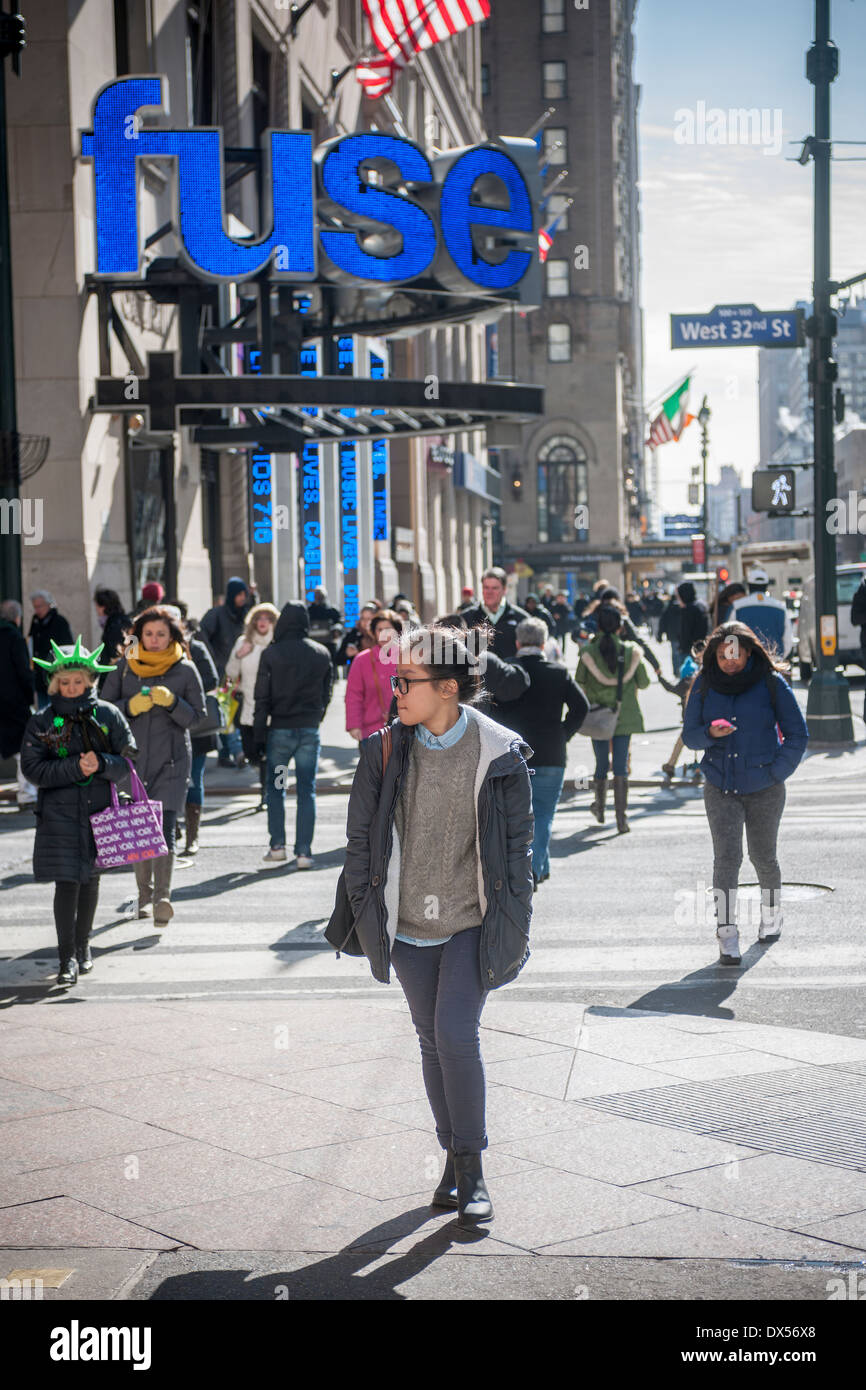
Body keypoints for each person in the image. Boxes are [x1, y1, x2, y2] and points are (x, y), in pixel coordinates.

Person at [329, 622, 533, 1229]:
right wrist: (368, 914)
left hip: (473, 919)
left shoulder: (500, 753)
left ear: (447, 687)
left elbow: (517, 852)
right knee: (429, 1041)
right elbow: (360, 841)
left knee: (454, 1034)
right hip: (409, 924)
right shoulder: (385, 749)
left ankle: (471, 1168)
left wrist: (515, 923)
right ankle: (452, 1159)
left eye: (406, 680)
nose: (395, 690)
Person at [682, 621, 809, 965]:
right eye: (724, 655)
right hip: (720, 786)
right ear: (715, 655)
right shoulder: (704, 685)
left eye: (736, 654)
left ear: (750, 651)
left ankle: (771, 915)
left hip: (765, 787)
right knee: (727, 860)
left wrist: (776, 772)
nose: (731, 661)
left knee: (763, 858)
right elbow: (690, 736)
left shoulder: (771, 683)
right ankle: (726, 933)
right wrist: (709, 732)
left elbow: (798, 734)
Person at [20, 638, 136, 986]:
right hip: (58, 817)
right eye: (65, 682)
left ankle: (84, 947)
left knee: (90, 882)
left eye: (78, 681)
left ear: (89, 681)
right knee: (66, 884)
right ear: (55, 684)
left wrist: (102, 762)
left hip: (99, 813)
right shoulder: (42, 721)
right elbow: (33, 770)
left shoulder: (108, 713)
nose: (72, 688)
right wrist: (76, 768)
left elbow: (129, 762)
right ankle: (66, 956)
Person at [102, 607, 205, 924]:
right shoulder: (124, 667)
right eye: (148, 634)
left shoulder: (185, 670)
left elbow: (199, 718)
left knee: (164, 827)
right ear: (138, 635)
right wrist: (129, 707)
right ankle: (143, 897)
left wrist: (172, 703)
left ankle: (163, 897)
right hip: (131, 762)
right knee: (138, 828)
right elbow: (103, 712)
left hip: (171, 761)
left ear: (172, 636)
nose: (155, 639)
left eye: (161, 634)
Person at [495, 616, 589, 887]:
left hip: (511, 752)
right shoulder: (558, 672)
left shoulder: (507, 672)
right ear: (544, 642)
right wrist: (564, 733)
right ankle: (535, 869)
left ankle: (536, 867)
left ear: (517, 642)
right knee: (544, 814)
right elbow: (580, 707)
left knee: (518, 815)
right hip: (551, 752)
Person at [253, 600, 334, 867]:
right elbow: (327, 693)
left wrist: (257, 735)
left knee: (277, 788)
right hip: (308, 731)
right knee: (306, 790)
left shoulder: (271, 654)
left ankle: (277, 845)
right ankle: (304, 852)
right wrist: (316, 718)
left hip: (280, 732)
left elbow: (261, 698)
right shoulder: (321, 653)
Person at [575, 603, 650, 833]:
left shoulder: (587, 652)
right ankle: (622, 819)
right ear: (620, 627)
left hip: (599, 715)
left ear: (596, 626)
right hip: (624, 715)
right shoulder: (632, 651)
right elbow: (645, 682)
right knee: (620, 766)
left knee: (600, 763)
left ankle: (599, 807)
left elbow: (580, 682)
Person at [167, 600, 220, 855]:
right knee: (166, 780)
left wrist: (185, 691)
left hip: (194, 725)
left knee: (193, 780)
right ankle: (171, 828)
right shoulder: (148, 653)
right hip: (164, 727)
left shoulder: (195, 648)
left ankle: (192, 835)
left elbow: (212, 679)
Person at [225, 602, 280, 811]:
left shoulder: (277, 642)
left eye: (267, 618)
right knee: (252, 753)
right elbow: (230, 674)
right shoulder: (243, 641)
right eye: (259, 618)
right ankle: (267, 785)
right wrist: (239, 656)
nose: (263, 622)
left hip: (272, 709)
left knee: (271, 753)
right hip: (247, 706)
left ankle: (269, 792)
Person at [200, 577, 251, 767]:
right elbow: (202, 635)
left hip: (243, 673)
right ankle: (232, 752)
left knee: (236, 714)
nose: (242, 598)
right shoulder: (217, 615)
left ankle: (232, 751)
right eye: (239, 594)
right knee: (227, 712)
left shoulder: (245, 615)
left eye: (244, 594)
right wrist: (212, 661)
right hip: (224, 675)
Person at [436, 613, 530, 713]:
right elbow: (518, 682)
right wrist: (514, 661)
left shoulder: (428, 664)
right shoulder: (484, 660)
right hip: (475, 723)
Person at [345, 609, 404, 742]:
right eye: (379, 630)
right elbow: (353, 694)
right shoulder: (362, 660)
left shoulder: (410, 657)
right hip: (372, 732)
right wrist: (354, 725)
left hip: (406, 731)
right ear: (374, 632)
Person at [0, 599, 37, 808]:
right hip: (13, 701)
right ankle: (27, 795)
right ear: (17, 617)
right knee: (24, 748)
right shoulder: (14, 637)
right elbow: (23, 670)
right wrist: (28, 695)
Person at [459, 567, 529, 659]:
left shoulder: (521, 619)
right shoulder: (465, 618)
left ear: (504, 590)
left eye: (494, 588)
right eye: (486, 587)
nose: (489, 592)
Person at [729, 567, 794, 659]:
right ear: (766, 585)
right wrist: (780, 657)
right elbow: (788, 638)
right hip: (773, 659)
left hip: (746, 660)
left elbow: (730, 636)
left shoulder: (737, 606)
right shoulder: (780, 607)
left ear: (749, 585)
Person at [29, 590, 73, 709]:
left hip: (55, 674)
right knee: (44, 713)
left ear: (49, 604)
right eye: (35, 607)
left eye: (40, 606)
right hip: (40, 677)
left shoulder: (60, 622)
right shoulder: (35, 622)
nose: (37, 610)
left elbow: (68, 648)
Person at [335, 599, 381, 670]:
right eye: (363, 618)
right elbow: (338, 660)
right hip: (358, 673)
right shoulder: (354, 634)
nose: (366, 622)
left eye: (369, 619)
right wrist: (346, 654)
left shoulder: (382, 634)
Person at [675, 582, 710, 674]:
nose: (678, 598)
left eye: (678, 595)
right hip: (702, 647)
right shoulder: (701, 605)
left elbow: (685, 632)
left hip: (689, 650)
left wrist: (681, 647)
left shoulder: (688, 609)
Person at [307, 587, 343, 667]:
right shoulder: (308, 611)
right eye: (317, 595)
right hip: (312, 645)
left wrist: (337, 631)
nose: (319, 598)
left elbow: (339, 624)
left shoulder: (332, 611)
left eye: (321, 596)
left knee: (329, 666)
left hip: (329, 645)